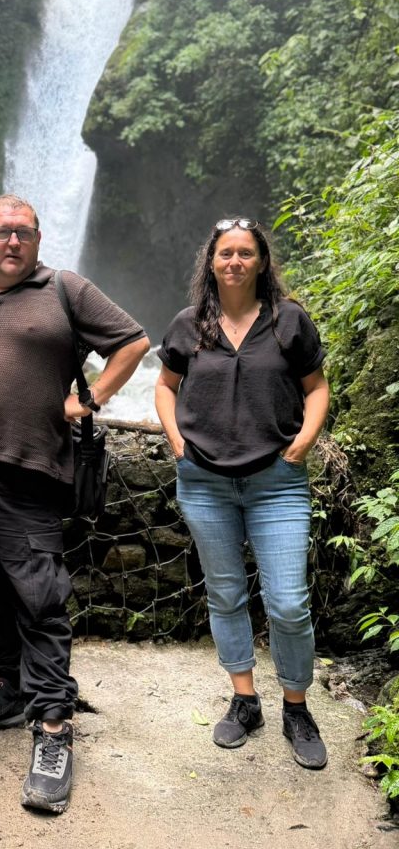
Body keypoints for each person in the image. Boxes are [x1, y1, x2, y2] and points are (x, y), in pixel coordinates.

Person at [0, 194, 149, 813]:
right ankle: (3, 690)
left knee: (39, 595)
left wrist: (90, 399)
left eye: (24, 232)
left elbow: (133, 341)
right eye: (2, 232)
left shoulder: (65, 289)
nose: (13, 241)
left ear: (38, 239)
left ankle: (53, 726)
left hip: (27, 468)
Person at [154, 216, 330, 770]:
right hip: (204, 482)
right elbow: (165, 386)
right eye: (225, 253)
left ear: (261, 262)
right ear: (211, 262)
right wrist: (177, 441)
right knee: (226, 593)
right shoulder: (189, 325)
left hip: (276, 483)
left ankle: (296, 708)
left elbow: (316, 388)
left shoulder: (289, 321)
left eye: (245, 253)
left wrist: (302, 443)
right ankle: (245, 700)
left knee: (288, 602)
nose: (234, 262)